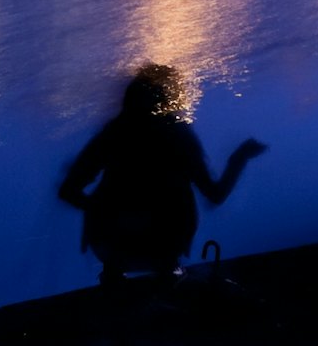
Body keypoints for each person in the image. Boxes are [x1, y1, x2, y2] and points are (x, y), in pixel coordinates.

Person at [57, 63, 267, 285]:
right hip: (165, 244)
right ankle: (169, 274)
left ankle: (114, 279)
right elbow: (215, 195)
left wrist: (102, 209)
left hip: (112, 245)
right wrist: (240, 157)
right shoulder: (178, 136)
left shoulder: (114, 134)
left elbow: (68, 191)